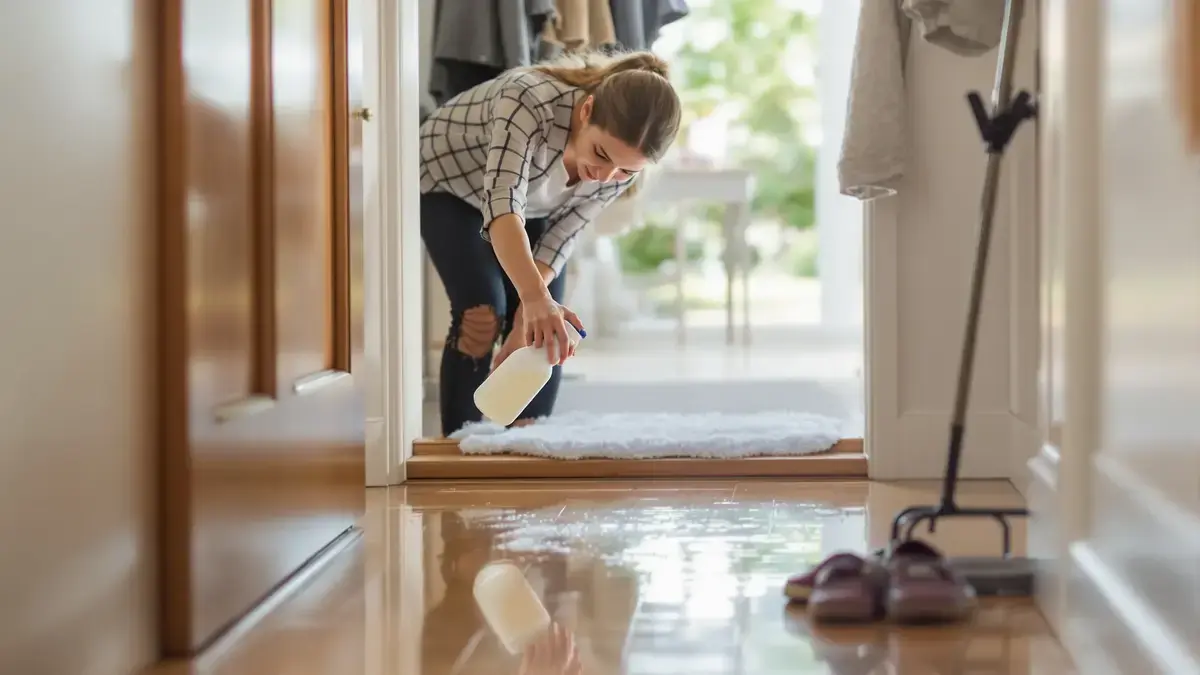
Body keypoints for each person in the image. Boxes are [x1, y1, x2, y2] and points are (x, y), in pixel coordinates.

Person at [419, 51, 683, 435]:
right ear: (586, 111)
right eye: (600, 154)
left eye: (625, 170)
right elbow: (503, 204)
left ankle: (530, 449)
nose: (605, 175)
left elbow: (563, 233)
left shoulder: (620, 170)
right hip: (448, 183)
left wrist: (532, 311)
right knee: (481, 314)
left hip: (531, 208)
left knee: (545, 332)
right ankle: (457, 454)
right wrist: (534, 297)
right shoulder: (527, 99)